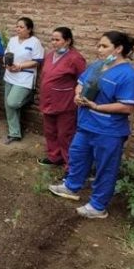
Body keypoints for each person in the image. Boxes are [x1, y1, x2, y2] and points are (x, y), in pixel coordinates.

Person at [48, 31, 134, 219]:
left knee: (106, 167)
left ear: (119, 49)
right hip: (86, 124)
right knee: (77, 155)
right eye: (98, 45)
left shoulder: (129, 75)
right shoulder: (98, 65)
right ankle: (71, 186)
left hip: (108, 130)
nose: (99, 49)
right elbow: (81, 83)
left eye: (104, 46)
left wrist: (97, 106)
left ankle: (98, 206)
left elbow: (127, 107)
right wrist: (77, 94)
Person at [38, 27, 86, 167]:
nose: (54, 42)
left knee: (65, 135)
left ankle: (70, 165)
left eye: (57, 40)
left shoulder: (75, 58)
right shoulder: (49, 56)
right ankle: (55, 157)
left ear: (68, 41)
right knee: (50, 131)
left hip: (65, 104)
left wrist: (79, 96)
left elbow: (83, 80)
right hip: (48, 101)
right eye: (52, 39)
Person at [2, 17, 44, 143]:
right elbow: (6, 55)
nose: (18, 29)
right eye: (17, 26)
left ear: (29, 29)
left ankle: (28, 97)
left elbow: (37, 61)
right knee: (8, 106)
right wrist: (7, 64)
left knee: (13, 102)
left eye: (21, 27)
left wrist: (20, 66)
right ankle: (14, 133)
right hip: (10, 76)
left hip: (25, 77)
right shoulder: (13, 40)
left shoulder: (34, 42)